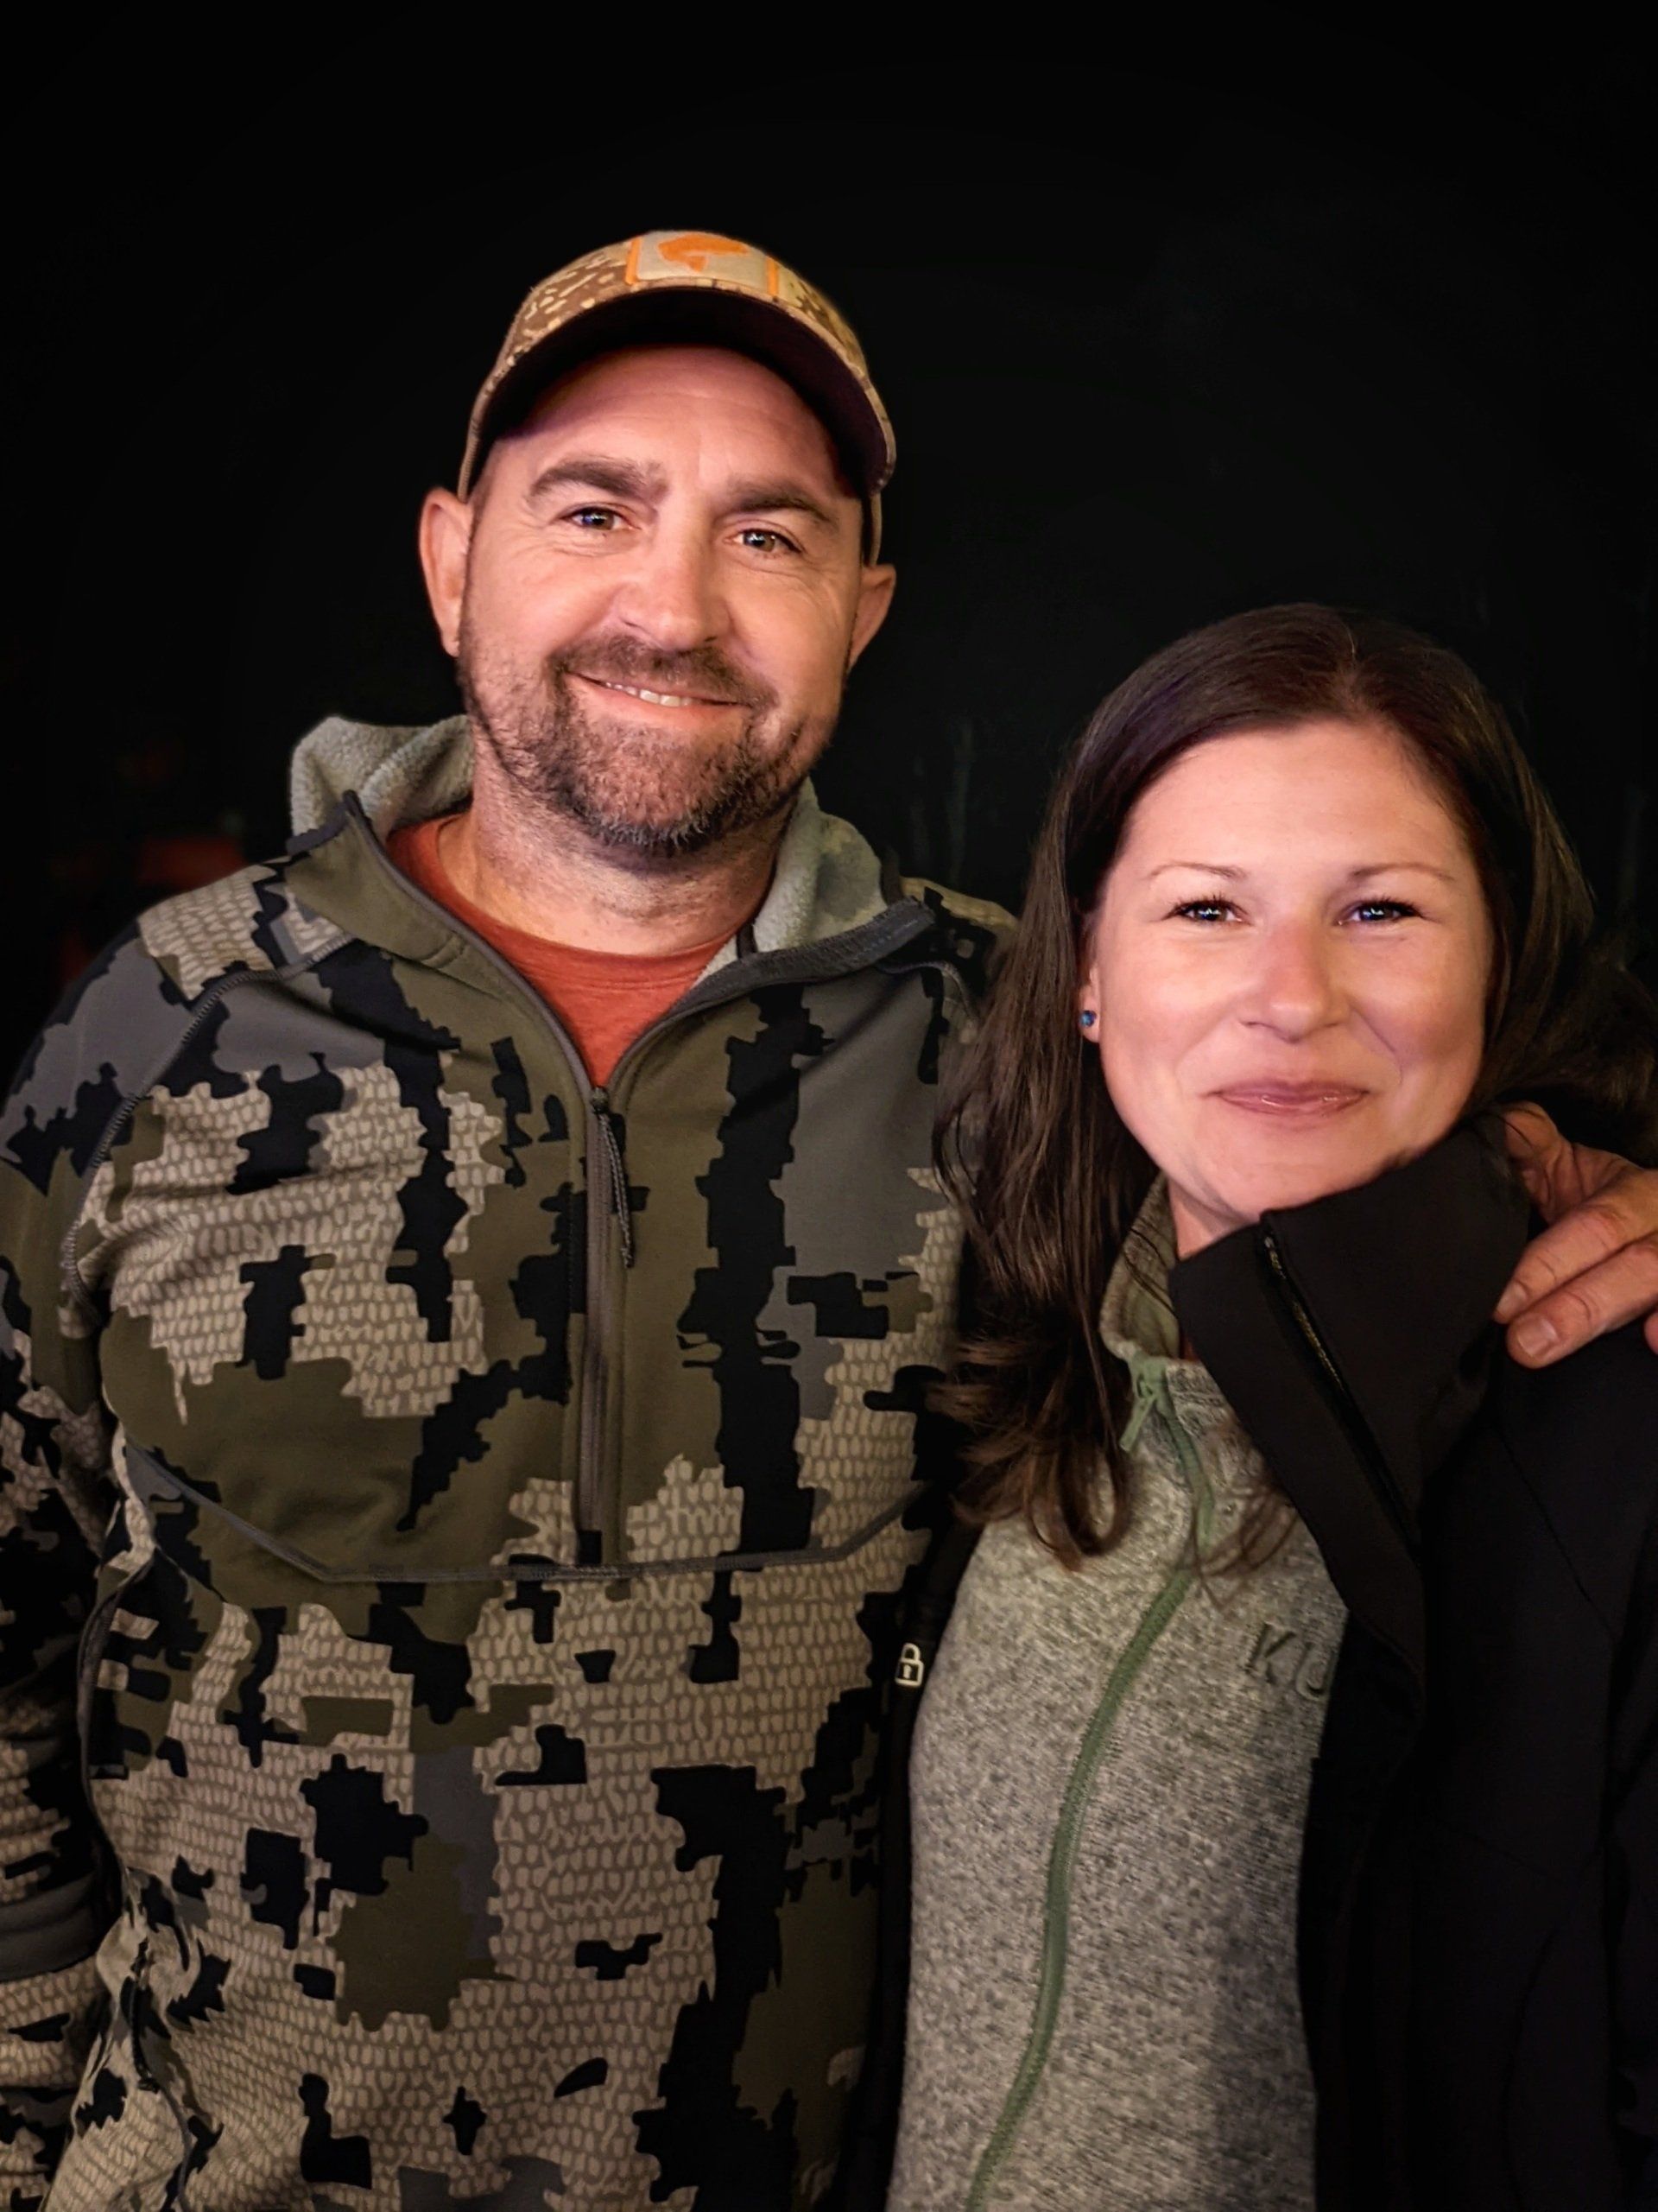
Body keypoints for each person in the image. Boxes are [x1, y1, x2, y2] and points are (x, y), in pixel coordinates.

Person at [0, 235, 1651, 2211]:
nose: (673, 603)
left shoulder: (1011, 1048)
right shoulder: (157, 1026)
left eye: (767, 535)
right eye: (594, 507)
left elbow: (1341, 1106)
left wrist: (1616, 1176)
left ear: (862, 609)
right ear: (453, 561)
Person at [865, 605, 1658, 2211]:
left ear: (1500, 957)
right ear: (1091, 972)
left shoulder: (1617, 1446)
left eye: (1381, 908)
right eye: (1207, 907)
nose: (1290, 995)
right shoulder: (1019, 1357)